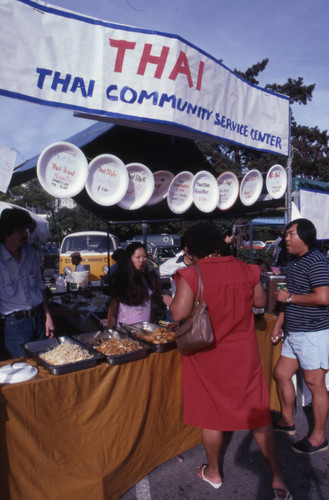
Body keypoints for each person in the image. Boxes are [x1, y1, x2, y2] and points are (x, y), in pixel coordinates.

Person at [169, 222, 291, 499]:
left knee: (211, 418)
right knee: (259, 418)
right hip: (244, 357)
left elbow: (178, 314)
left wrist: (168, 299)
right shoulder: (247, 269)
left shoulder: (191, 274)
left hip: (207, 357)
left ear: (192, 249)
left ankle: (213, 472)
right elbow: (259, 301)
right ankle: (278, 478)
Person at [272, 218, 329, 455]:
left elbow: (323, 297)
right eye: (286, 235)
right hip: (294, 333)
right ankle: (287, 421)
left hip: (312, 334)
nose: (286, 239)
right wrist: (278, 324)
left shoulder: (316, 260)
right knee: (281, 373)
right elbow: (289, 296)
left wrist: (290, 299)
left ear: (305, 236)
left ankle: (318, 438)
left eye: (291, 234)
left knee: (315, 384)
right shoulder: (295, 262)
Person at [0, 208, 54, 358]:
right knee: (24, 370)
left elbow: (41, 286)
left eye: (26, 229)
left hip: (39, 318)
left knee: (46, 364)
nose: (25, 234)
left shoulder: (30, 253)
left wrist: (48, 316)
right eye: (20, 230)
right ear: (7, 231)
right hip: (15, 325)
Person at [106, 242, 164, 328]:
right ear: (130, 259)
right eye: (138, 257)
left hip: (146, 330)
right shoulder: (122, 280)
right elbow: (113, 307)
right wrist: (110, 329)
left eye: (144, 257)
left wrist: (153, 324)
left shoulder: (147, 279)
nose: (142, 260)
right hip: (126, 331)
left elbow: (149, 305)